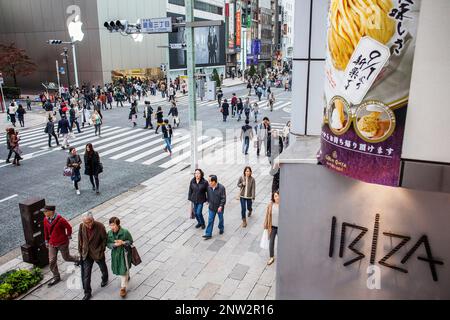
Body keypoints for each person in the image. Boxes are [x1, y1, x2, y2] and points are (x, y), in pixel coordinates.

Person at [44, 205, 80, 287]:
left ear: (51, 211)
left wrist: (68, 235)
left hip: (62, 243)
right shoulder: (45, 219)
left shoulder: (60, 220)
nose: (44, 213)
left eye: (45, 211)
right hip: (52, 243)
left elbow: (69, 227)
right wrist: (46, 241)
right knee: (52, 260)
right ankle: (56, 277)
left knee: (66, 258)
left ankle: (77, 259)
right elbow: (45, 230)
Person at [78, 212, 108, 300]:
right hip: (86, 254)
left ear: (93, 219)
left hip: (97, 253)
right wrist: (80, 252)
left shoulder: (100, 226)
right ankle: (87, 293)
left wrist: (101, 249)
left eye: (90, 222)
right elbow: (80, 239)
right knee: (86, 275)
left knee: (103, 268)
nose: (88, 224)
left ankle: (105, 278)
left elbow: (105, 239)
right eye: (86, 223)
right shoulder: (81, 226)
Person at [107, 217, 133, 298]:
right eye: (110, 225)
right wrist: (114, 245)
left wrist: (123, 242)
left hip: (124, 254)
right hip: (115, 254)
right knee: (120, 268)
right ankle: (127, 275)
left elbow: (131, 241)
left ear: (118, 224)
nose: (112, 227)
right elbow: (107, 243)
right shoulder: (109, 233)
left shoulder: (125, 232)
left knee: (123, 269)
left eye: (113, 225)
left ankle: (123, 288)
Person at [203, 175, 226, 240]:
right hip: (211, 207)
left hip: (219, 208)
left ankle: (221, 228)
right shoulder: (208, 187)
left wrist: (221, 206)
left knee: (221, 219)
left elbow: (223, 198)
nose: (208, 182)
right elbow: (208, 195)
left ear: (214, 182)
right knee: (210, 220)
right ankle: (208, 234)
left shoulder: (222, 188)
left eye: (210, 181)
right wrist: (207, 200)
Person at [263, 191, 280, 266]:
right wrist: (265, 225)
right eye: (275, 196)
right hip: (272, 227)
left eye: (278, 196)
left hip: (281, 227)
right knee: (271, 242)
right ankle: (271, 257)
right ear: (273, 197)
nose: (277, 197)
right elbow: (267, 215)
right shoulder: (270, 205)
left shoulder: (283, 205)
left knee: (282, 242)